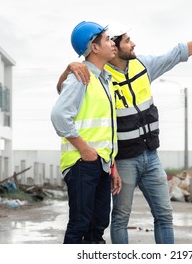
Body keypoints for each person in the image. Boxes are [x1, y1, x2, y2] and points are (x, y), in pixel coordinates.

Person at [57, 24, 192, 244]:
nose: (133, 43)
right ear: (112, 48)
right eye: (126, 41)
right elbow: (63, 98)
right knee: (109, 219)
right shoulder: (97, 75)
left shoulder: (136, 68)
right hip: (116, 159)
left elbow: (177, 53)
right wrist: (69, 68)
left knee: (159, 215)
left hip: (144, 157)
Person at [51, 21, 121, 244]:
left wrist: (112, 166)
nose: (113, 43)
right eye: (108, 39)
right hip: (82, 162)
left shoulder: (104, 79)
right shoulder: (80, 76)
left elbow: (106, 130)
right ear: (94, 47)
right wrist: (85, 150)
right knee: (80, 225)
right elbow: (59, 116)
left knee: (98, 225)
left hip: (100, 164)